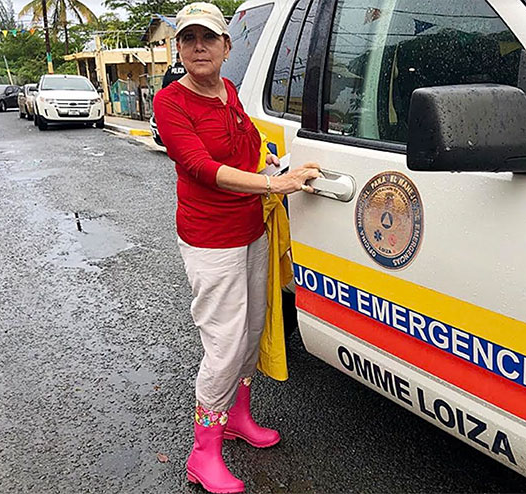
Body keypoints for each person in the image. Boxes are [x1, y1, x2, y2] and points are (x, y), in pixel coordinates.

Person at [152, 3, 320, 493]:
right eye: (188, 39)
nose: (198, 47)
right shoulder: (171, 103)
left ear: (227, 47)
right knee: (224, 346)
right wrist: (277, 185)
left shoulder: (228, 91)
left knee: (250, 332)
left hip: (252, 230)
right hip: (210, 239)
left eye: (209, 38)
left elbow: (246, 146)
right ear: (178, 49)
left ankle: (237, 416)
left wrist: (274, 164)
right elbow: (202, 167)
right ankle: (203, 451)